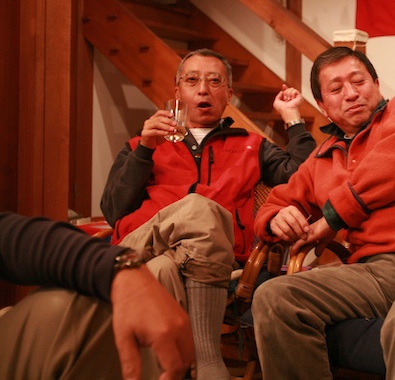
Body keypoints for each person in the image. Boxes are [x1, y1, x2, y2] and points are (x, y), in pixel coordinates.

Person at [251, 46, 395, 379]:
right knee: (275, 297)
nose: (351, 93)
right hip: (374, 271)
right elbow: (276, 201)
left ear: (376, 84)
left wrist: (333, 217)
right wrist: (276, 218)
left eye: (358, 81)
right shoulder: (321, 159)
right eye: (336, 88)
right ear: (322, 106)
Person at [100, 48, 316, 380]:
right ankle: (208, 361)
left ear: (228, 94)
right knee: (200, 206)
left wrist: (292, 118)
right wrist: (145, 149)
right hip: (141, 250)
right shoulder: (143, 144)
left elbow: (306, 177)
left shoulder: (251, 146)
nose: (203, 89)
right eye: (192, 80)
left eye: (215, 81)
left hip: (213, 261)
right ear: (177, 92)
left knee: (163, 269)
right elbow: (114, 212)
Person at [0, 211, 194, 380]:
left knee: (79, 309)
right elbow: (116, 207)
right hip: (141, 236)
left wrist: (116, 268)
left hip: (172, 246)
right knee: (195, 211)